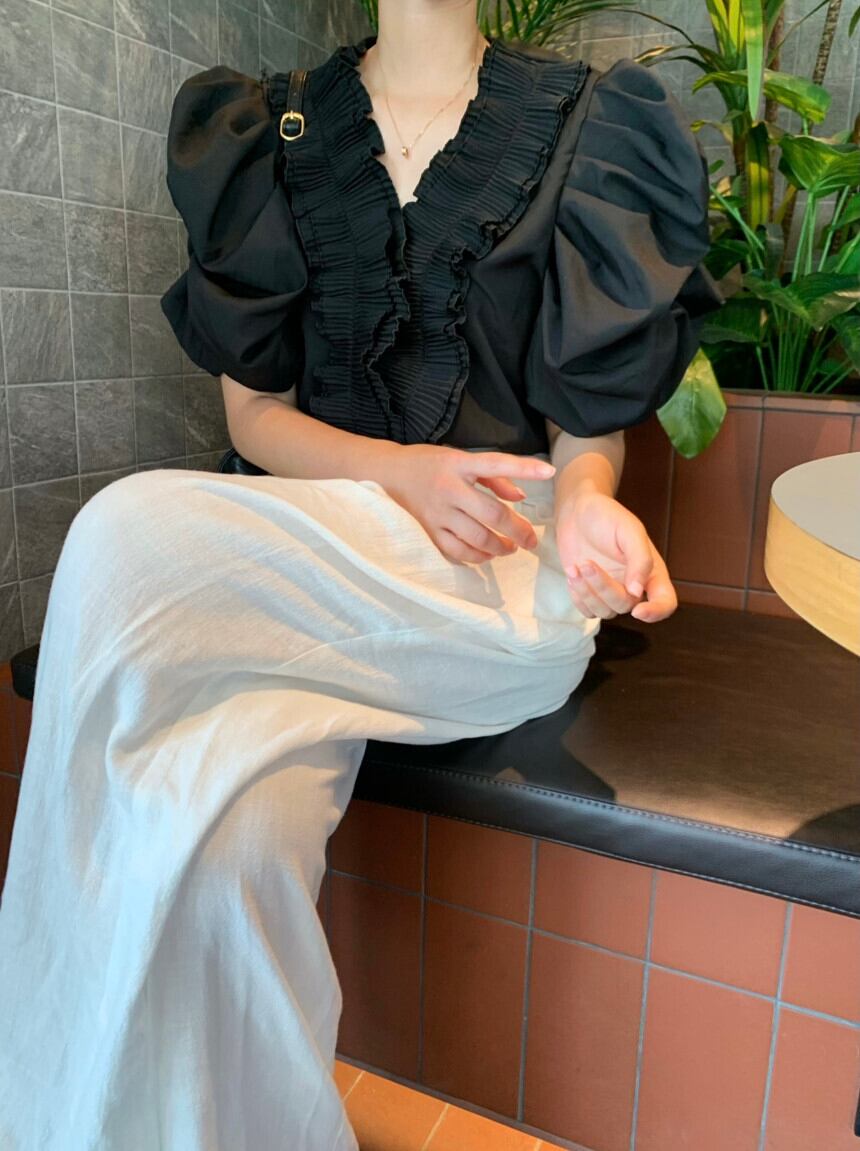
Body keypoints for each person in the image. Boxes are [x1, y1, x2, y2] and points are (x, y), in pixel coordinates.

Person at [0, 1, 724, 1147]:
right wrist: (401, 475)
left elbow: (584, 433)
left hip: (493, 576)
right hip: (311, 570)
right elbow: (255, 417)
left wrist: (590, 505)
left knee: (121, 529)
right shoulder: (266, 129)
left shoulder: (596, 124)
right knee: (221, 844)